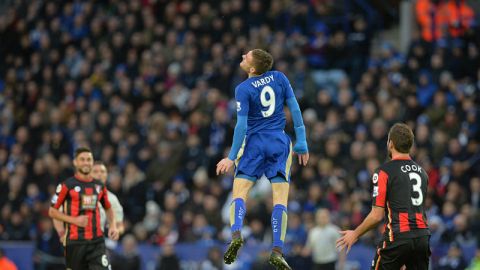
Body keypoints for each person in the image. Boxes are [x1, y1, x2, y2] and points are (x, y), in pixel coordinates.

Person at [216, 49, 309, 269]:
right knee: (280, 198)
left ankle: (236, 234)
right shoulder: (279, 77)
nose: (241, 57)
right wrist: (302, 140)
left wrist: (231, 157)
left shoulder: (243, 89)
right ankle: (277, 250)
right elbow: (294, 108)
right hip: (279, 142)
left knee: (239, 192)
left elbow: (241, 126)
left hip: (255, 143)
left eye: (245, 57)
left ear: (253, 69)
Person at [336, 123, 431, 269]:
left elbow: (377, 215)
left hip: (398, 236)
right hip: (422, 237)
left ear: (390, 143)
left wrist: (355, 234)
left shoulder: (384, 172)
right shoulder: (422, 172)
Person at [48, 147, 119, 270]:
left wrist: (113, 225)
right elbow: (52, 211)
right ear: (75, 162)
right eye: (82, 160)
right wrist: (74, 220)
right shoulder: (66, 186)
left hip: (97, 242)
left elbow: (108, 207)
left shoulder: (99, 186)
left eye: (89, 159)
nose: (86, 162)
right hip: (75, 243)